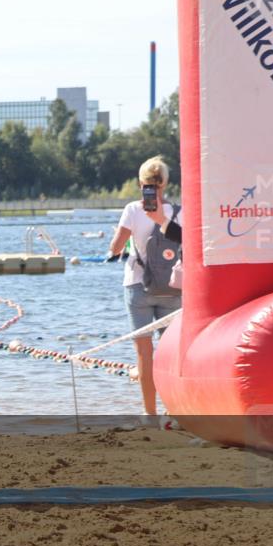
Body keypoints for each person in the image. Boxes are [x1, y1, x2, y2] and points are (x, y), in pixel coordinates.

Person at [108, 156, 181, 417]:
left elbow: (116, 247)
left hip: (138, 286)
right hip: (173, 289)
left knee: (144, 355)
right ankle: (175, 411)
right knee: (172, 354)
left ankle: (150, 415)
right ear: (166, 182)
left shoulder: (132, 210)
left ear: (141, 183)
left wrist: (116, 244)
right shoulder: (178, 211)